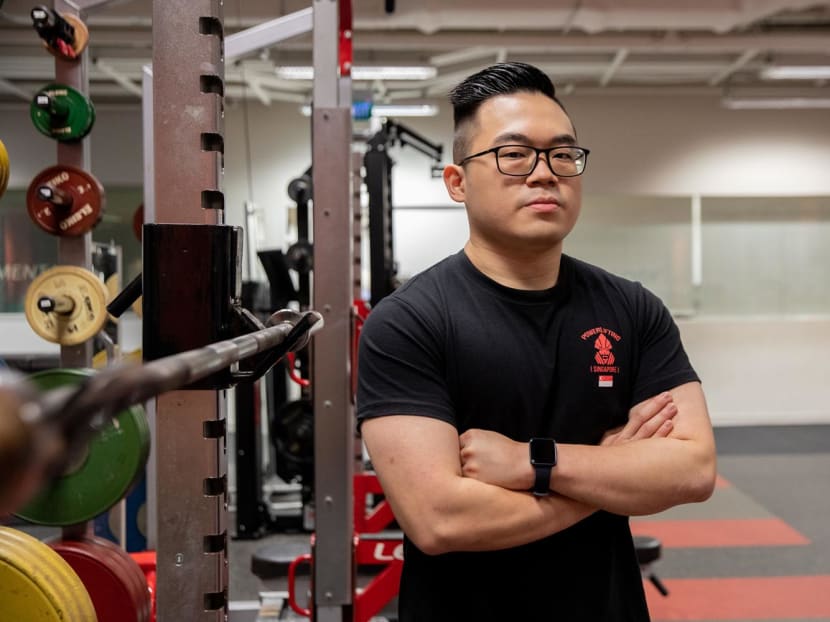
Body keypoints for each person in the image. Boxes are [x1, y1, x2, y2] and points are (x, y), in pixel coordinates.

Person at [356, 62, 716, 621]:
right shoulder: (407, 323)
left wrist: (533, 462)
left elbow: (691, 470)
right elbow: (440, 520)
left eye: (563, 154)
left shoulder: (632, 308)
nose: (544, 173)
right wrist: (607, 470)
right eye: (514, 154)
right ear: (457, 182)